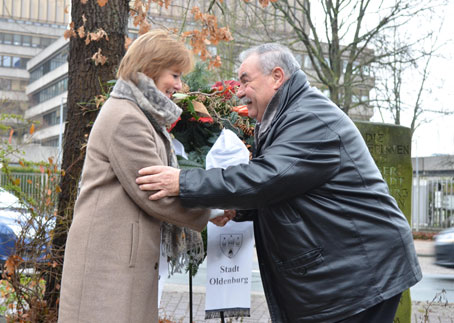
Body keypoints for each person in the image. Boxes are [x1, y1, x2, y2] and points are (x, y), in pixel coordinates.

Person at [135, 43, 422, 322]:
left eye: (246, 81)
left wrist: (183, 183)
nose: (239, 91)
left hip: (359, 277)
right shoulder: (286, 117)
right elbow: (287, 188)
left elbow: (266, 178)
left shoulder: (310, 119)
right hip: (346, 272)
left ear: (276, 77)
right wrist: (238, 210)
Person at [58, 30, 212, 323]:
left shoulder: (137, 113)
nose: (180, 85)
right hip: (109, 263)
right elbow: (153, 194)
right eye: (175, 75)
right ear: (151, 68)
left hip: (117, 258)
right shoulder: (127, 117)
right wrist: (212, 210)